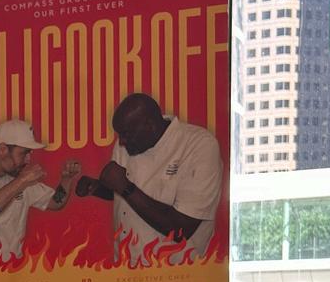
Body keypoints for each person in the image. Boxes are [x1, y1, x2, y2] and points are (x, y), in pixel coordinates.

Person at [77, 93, 223, 263]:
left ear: (149, 125)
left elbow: (181, 229)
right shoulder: (130, 144)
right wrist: (97, 187)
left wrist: (125, 187)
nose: (121, 142)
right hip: (125, 267)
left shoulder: (199, 146)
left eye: (126, 134)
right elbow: (125, 193)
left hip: (176, 272)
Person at [0, 119, 80, 274]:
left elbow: (55, 202)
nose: (28, 160)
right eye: (24, 153)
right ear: (3, 149)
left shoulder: (20, 180)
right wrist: (21, 181)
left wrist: (67, 179)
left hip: (13, 279)